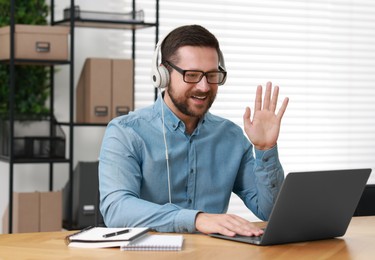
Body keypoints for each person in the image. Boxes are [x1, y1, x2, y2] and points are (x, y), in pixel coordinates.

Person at [98, 24, 289, 237]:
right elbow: (116, 209)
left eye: (212, 75)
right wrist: (196, 219)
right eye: (192, 75)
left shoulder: (231, 137)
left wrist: (265, 149)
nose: (204, 87)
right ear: (163, 74)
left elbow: (269, 211)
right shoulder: (125, 132)